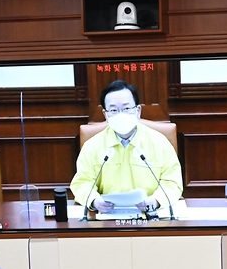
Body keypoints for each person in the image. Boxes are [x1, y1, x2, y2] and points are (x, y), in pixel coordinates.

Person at [69, 80, 183, 216]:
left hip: (151, 216)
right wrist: (94, 201)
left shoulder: (160, 143)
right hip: (107, 219)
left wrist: (156, 201)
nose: (120, 114)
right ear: (105, 115)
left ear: (138, 110)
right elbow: (82, 183)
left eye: (126, 108)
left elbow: (172, 182)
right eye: (113, 110)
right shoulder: (92, 146)